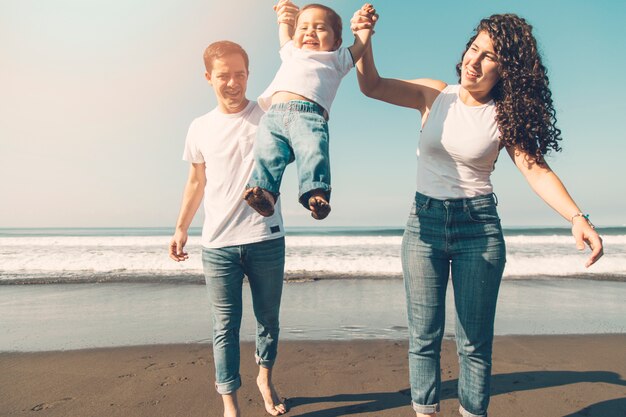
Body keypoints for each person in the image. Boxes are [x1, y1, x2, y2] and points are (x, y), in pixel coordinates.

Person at [350, 10, 604, 417]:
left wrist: (578, 217)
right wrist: (364, 39)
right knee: (424, 337)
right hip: (424, 225)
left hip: (478, 229)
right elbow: (372, 86)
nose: (474, 60)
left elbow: (536, 170)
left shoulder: (505, 116)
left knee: (473, 343)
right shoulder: (434, 94)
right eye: (474, 49)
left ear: (507, 71)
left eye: (489, 57)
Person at [169, 40, 288, 417]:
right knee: (225, 327)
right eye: (224, 76)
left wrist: (284, 24)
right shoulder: (199, 127)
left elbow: (293, 69)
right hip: (218, 244)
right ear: (208, 78)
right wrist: (180, 228)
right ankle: (230, 404)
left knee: (268, 319)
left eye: (240, 74)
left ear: (249, 75)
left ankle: (265, 379)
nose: (233, 83)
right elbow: (195, 182)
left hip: (265, 237)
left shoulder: (267, 112)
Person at [243, 1, 376, 220]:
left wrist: (365, 23)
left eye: (320, 28)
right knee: (266, 154)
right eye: (303, 27)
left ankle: (316, 194)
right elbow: (285, 29)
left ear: (337, 42)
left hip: (309, 117)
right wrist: (284, 16)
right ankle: (264, 194)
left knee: (313, 153)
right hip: (272, 117)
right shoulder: (291, 52)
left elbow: (360, 45)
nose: (309, 32)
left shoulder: (337, 59)